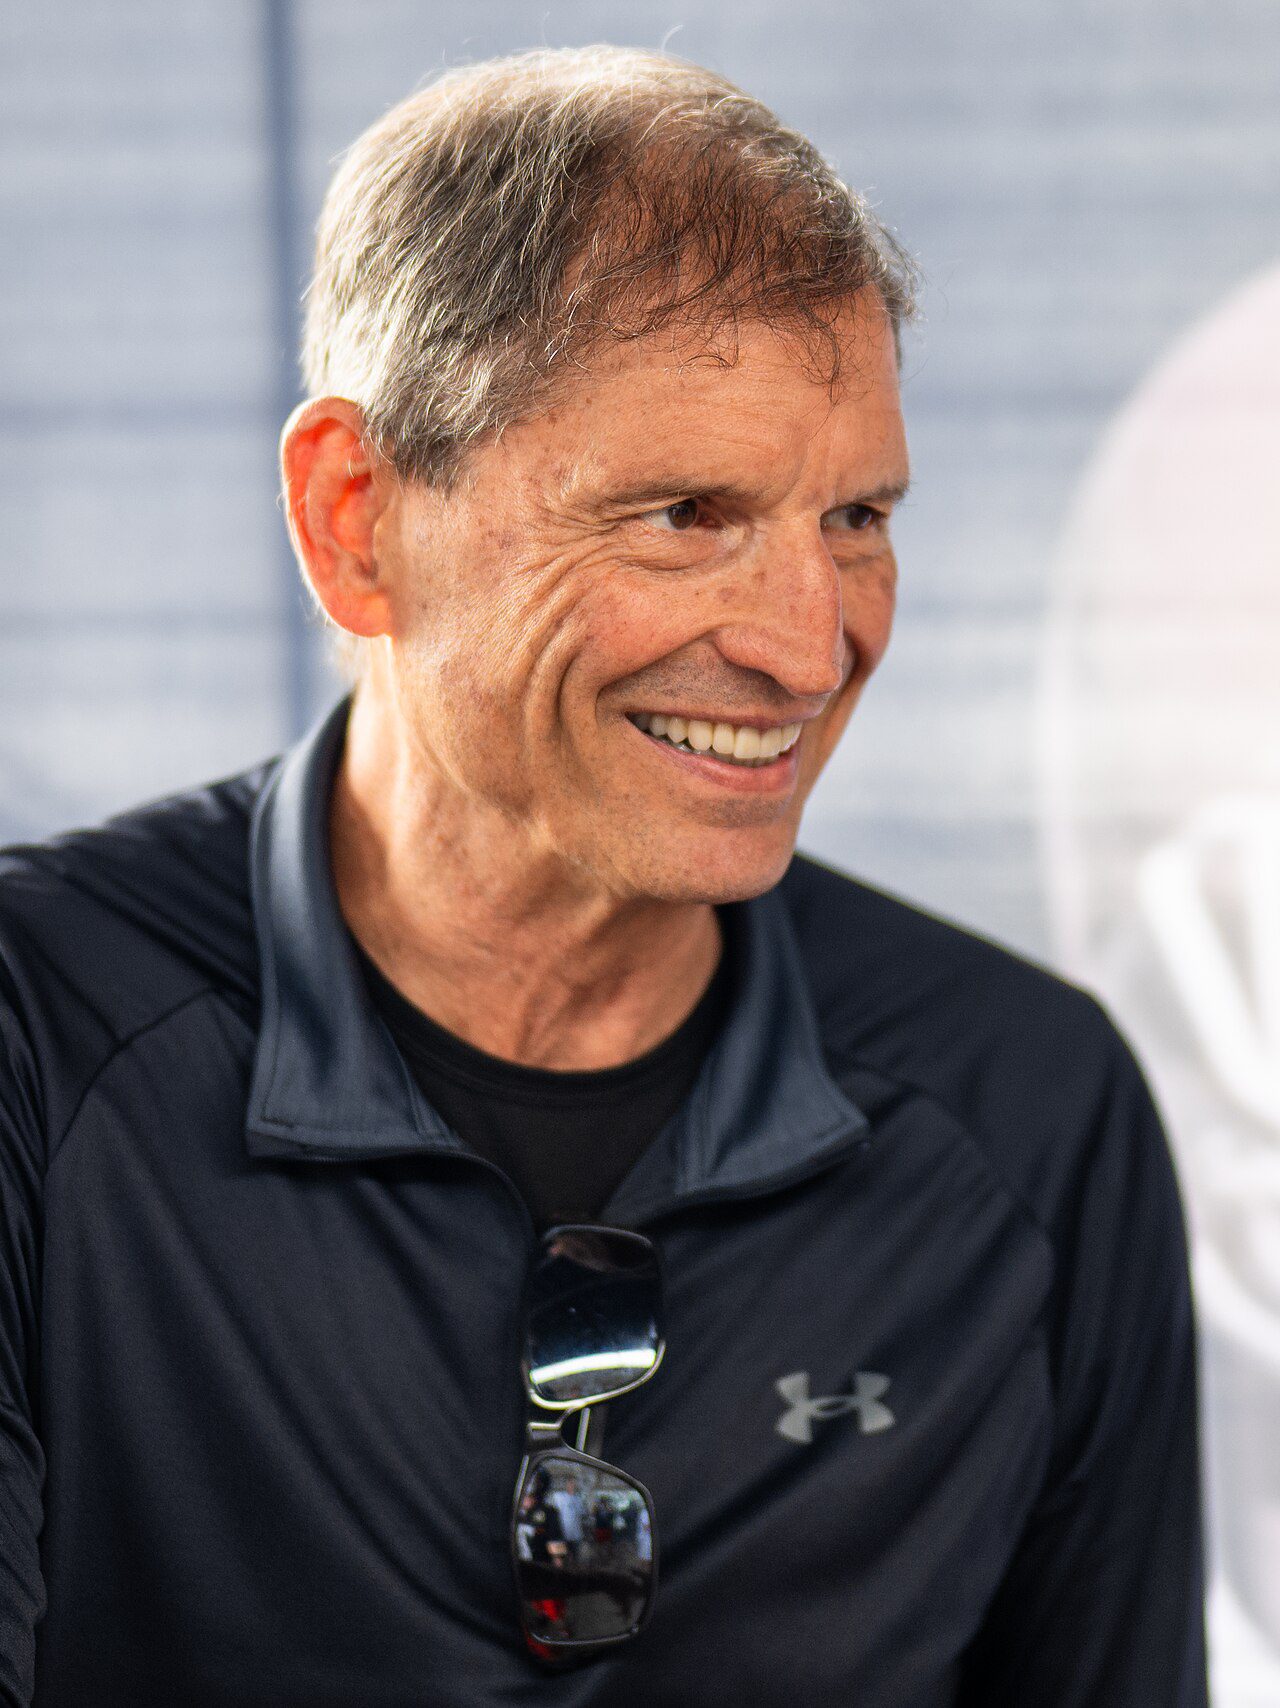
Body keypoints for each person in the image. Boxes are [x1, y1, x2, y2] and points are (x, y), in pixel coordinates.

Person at [0, 44, 1208, 1707]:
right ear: (356, 518)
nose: (810, 649)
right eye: (688, 513)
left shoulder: (1031, 1109)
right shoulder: (39, 1036)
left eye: (857, 517)